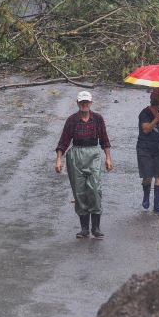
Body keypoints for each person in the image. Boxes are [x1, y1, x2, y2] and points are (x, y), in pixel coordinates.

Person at [55, 90, 114, 239]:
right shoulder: (72, 120)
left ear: (91, 103)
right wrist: (59, 159)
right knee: (79, 192)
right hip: (76, 155)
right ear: (78, 104)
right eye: (82, 102)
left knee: (94, 189)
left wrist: (108, 158)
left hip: (93, 154)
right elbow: (63, 141)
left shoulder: (98, 119)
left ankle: (96, 228)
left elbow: (105, 140)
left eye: (87, 102)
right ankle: (84, 229)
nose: (84, 105)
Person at [137, 88, 159, 213]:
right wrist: (156, 119)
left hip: (158, 148)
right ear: (158, 101)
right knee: (147, 177)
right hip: (144, 148)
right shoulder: (144, 113)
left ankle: (158, 205)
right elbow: (146, 129)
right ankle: (146, 197)